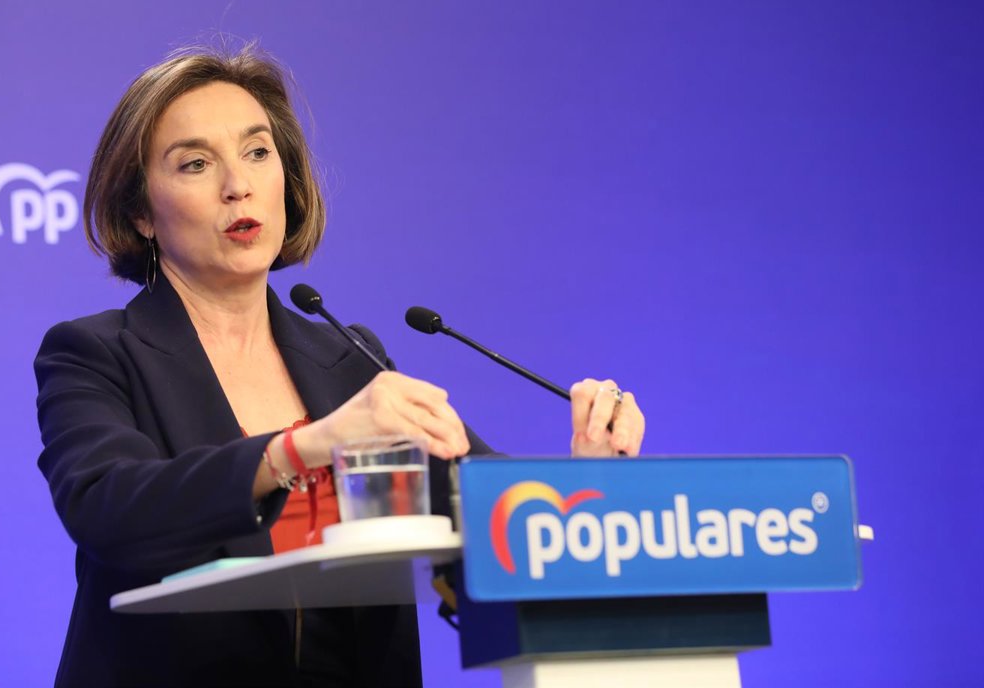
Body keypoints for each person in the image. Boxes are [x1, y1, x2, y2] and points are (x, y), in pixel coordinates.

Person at [33, 44, 647, 687]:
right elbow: (109, 509)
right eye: (195, 163)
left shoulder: (349, 361)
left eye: (257, 152)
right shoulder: (95, 353)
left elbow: (490, 514)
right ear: (140, 212)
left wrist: (588, 483)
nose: (238, 184)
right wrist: (303, 448)